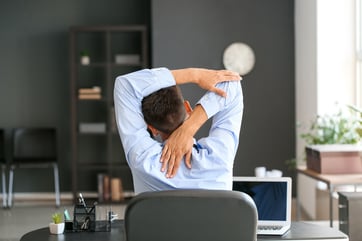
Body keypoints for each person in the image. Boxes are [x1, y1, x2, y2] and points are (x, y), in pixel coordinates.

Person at [114, 67, 243, 194]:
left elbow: (125, 85)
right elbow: (232, 83)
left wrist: (195, 75)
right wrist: (189, 127)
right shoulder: (220, 155)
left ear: (152, 128)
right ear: (188, 108)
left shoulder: (143, 160)